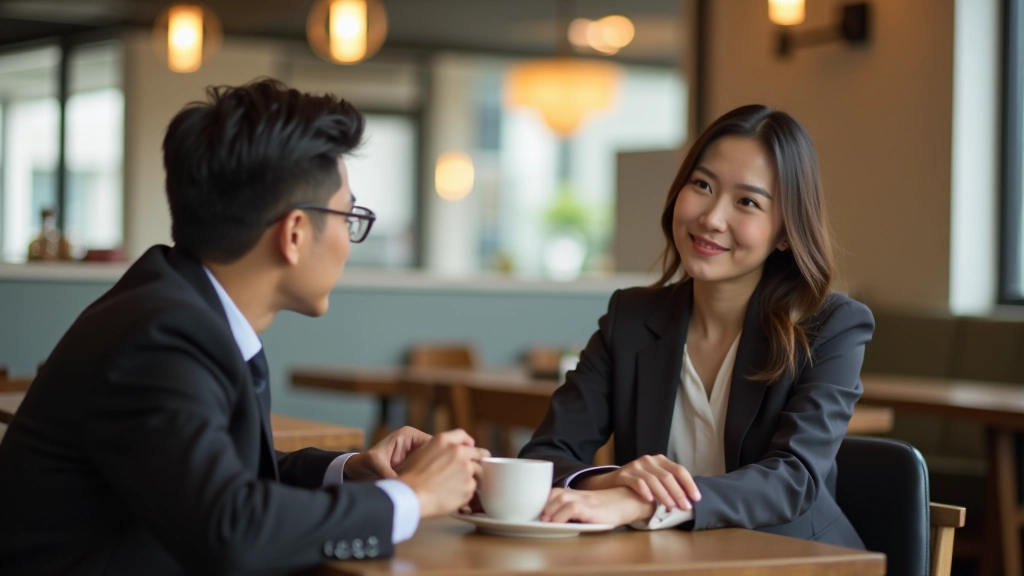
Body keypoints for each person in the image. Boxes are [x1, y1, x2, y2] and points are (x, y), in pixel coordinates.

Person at [0, 79, 487, 575]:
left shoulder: (175, 304)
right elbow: (232, 530)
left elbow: (220, 478)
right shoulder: (162, 337)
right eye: (348, 216)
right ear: (295, 233)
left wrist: (348, 469)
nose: (349, 238)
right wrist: (409, 496)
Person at [519, 104, 873, 548]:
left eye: (747, 202)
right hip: (669, 559)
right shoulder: (629, 320)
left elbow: (794, 479)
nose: (711, 218)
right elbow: (545, 457)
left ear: (785, 232)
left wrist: (647, 503)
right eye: (702, 185)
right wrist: (610, 483)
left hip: (794, 559)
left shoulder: (831, 325)